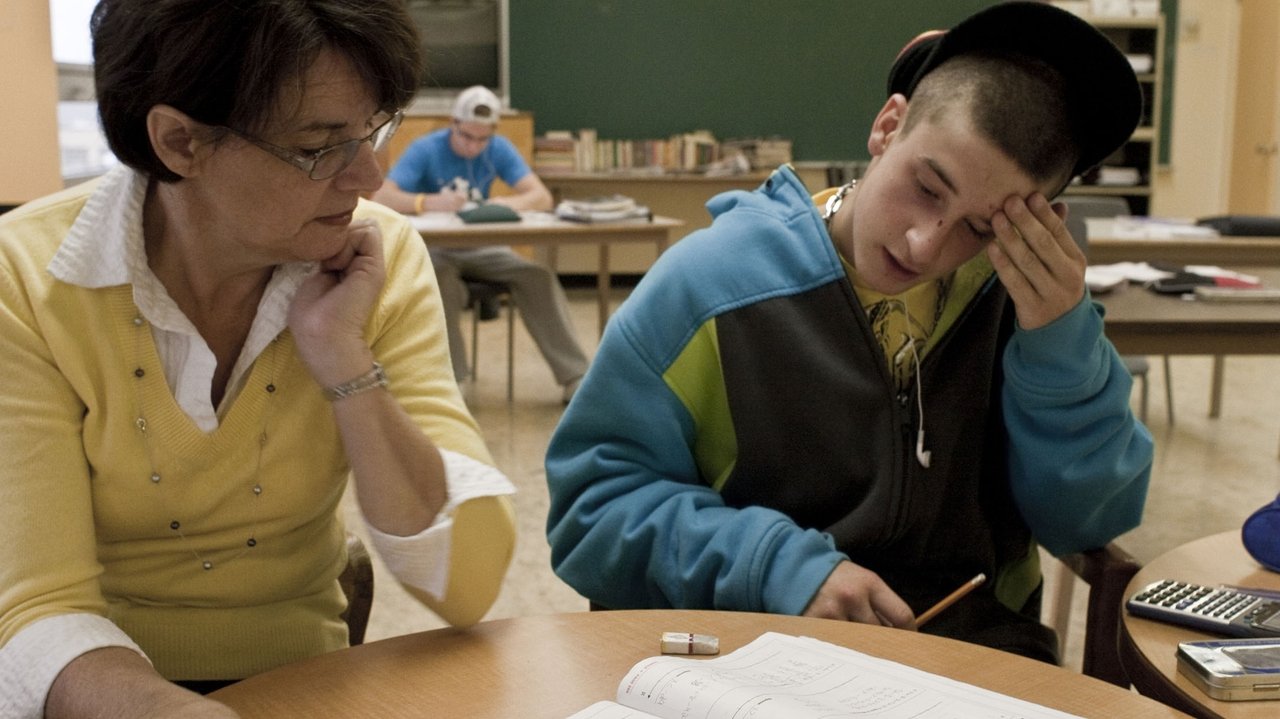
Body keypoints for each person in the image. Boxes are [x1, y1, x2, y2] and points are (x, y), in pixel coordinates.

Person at [545, 2, 1154, 663]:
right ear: (887, 127)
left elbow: (1090, 521)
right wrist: (776, 565)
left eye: (982, 228)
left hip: (972, 661)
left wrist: (1061, 343)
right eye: (926, 188)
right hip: (752, 653)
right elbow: (591, 512)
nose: (926, 245)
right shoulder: (710, 285)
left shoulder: (1021, 306)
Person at [0, 2, 517, 717]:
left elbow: (467, 583)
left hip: (306, 678)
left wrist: (343, 359)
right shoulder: (27, 279)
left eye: (375, 130)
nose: (367, 176)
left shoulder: (378, 257)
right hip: (99, 691)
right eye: (320, 146)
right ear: (180, 141)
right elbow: (37, 608)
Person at [373, 86, 589, 403]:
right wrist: (428, 202)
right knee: (438, 279)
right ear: (453, 124)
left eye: (482, 139)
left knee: (537, 276)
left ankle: (575, 376)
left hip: (484, 249)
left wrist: (502, 204)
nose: (475, 146)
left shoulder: (498, 148)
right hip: (435, 250)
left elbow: (540, 196)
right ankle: (451, 380)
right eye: (467, 137)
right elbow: (383, 197)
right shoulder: (425, 149)